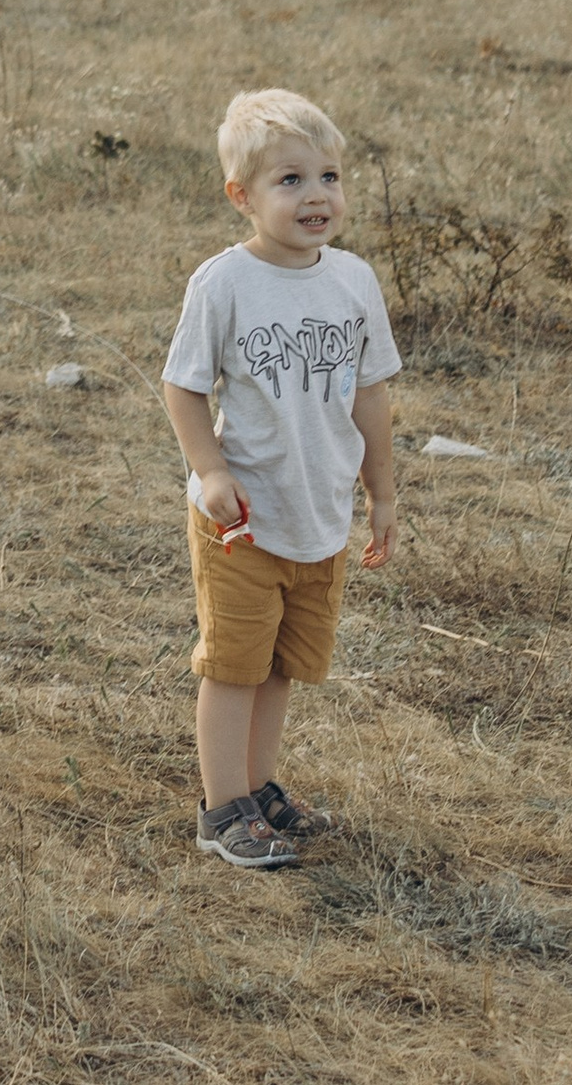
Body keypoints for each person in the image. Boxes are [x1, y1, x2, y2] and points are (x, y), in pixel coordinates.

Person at [159, 86, 399, 868]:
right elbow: (184, 386)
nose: (316, 196)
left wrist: (382, 490)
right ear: (243, 196)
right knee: (234, 664)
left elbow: (369, 392)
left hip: (317, 511)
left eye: (328, 176)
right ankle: (220, 809)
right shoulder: (224, 284)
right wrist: (210, 469)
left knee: (281, 665)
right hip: (244, 516)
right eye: (289, 180)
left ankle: (260, 791)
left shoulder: (354, 281)